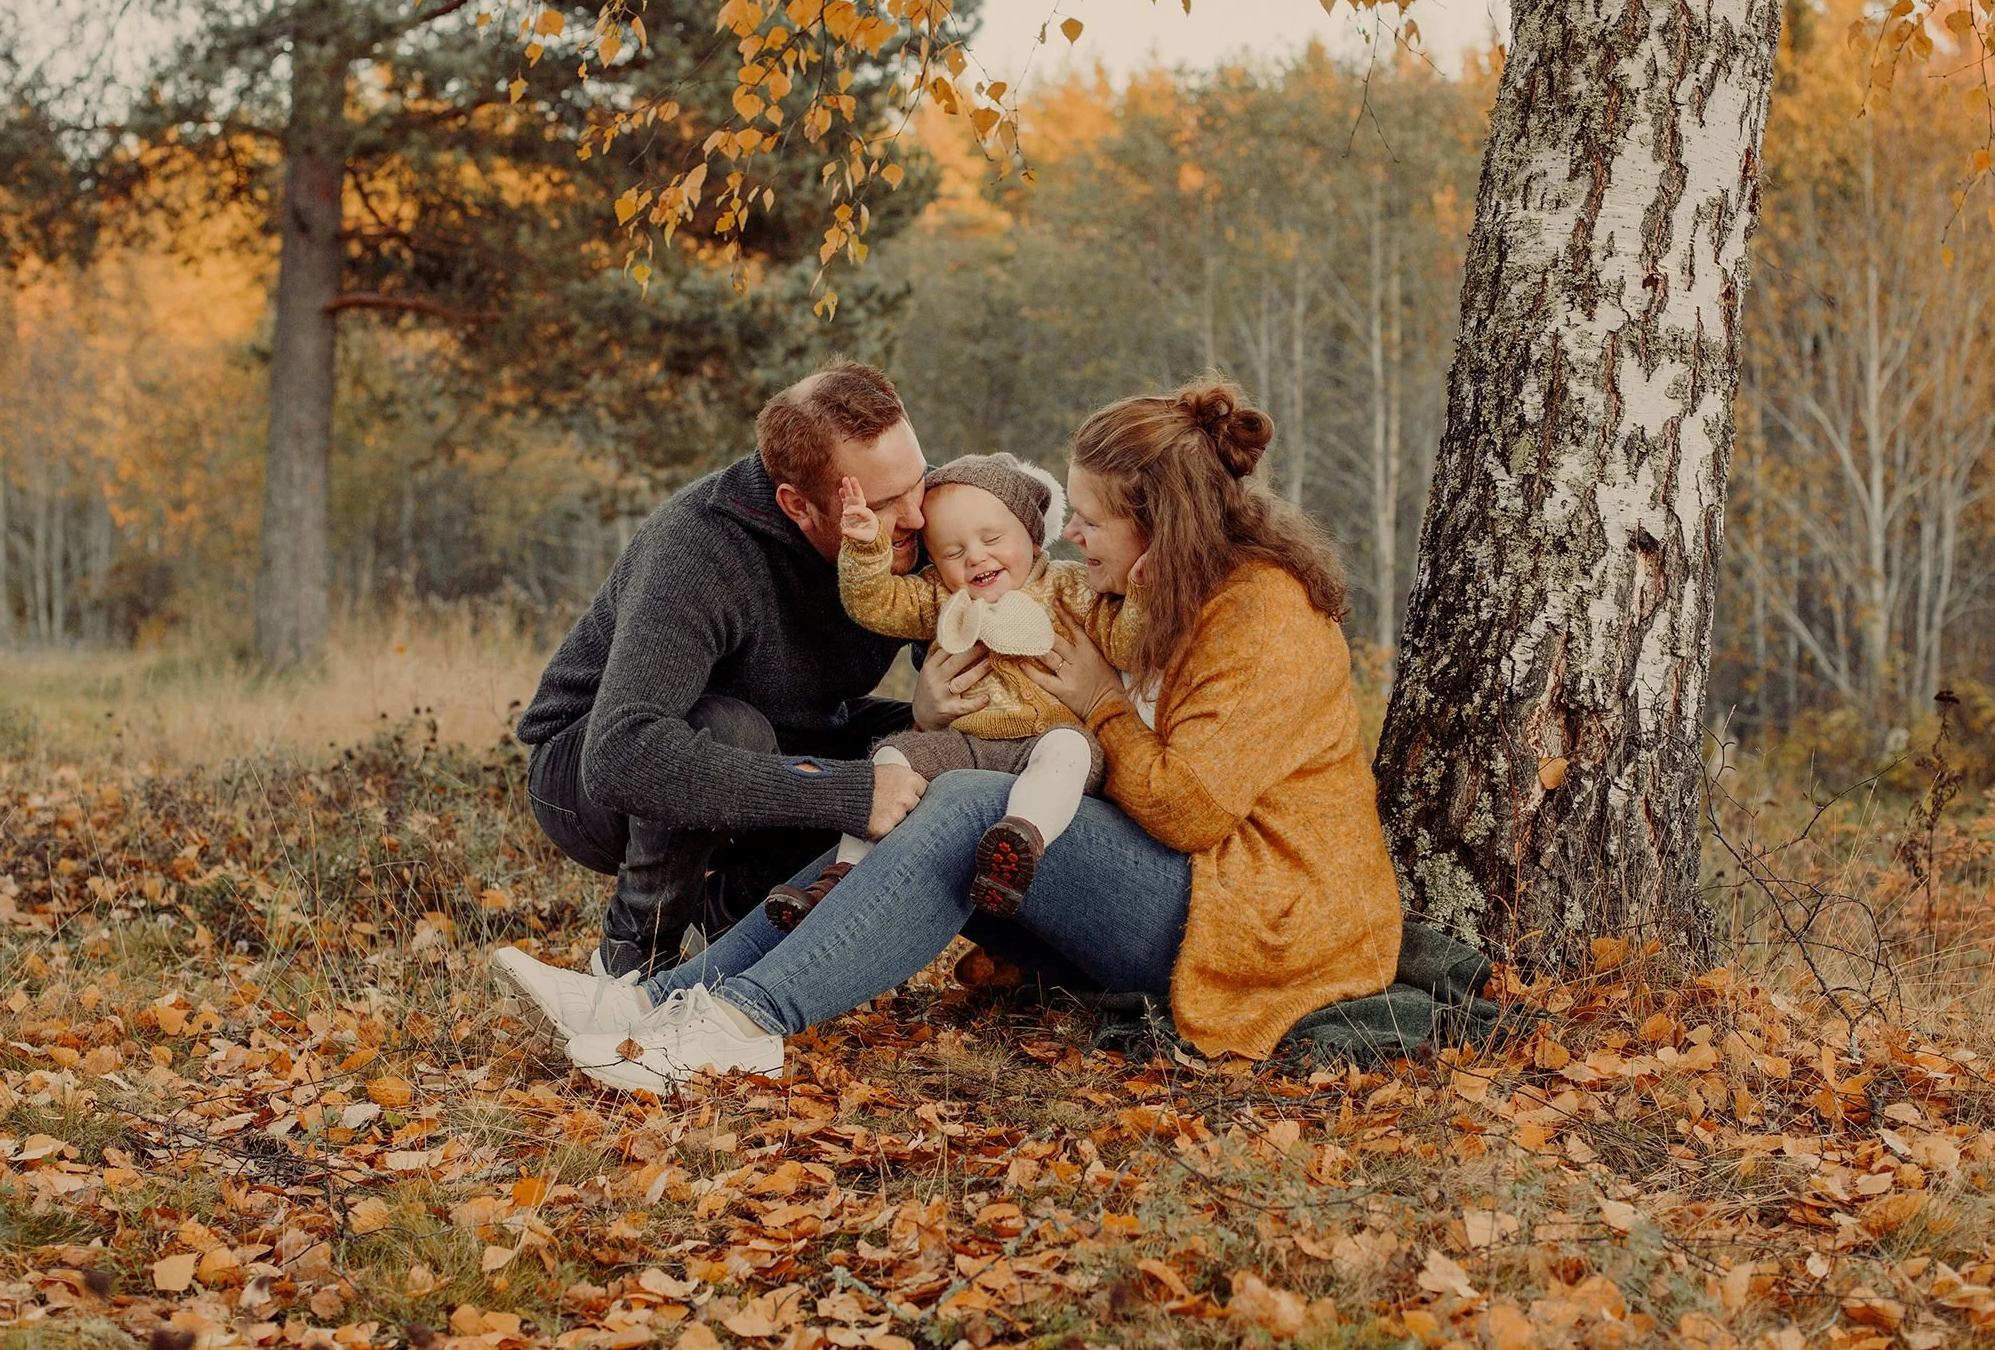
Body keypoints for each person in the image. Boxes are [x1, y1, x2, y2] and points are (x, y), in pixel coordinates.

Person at [499, 377, 1408, 1092]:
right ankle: (648, 999)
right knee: (952, 790)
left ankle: (739, 1023)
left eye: (1089, 520)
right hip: (1186, 883)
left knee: (974, 804)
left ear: (1159, 523)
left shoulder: (1262, 613)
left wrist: (1096, 707)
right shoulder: (1141, 591)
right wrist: (931, 720)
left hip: (1259, 915)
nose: (1073, 538)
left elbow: (1193, 807)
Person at [503, 359, 969, 982]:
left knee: (949, 743)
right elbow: (622, 755)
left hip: (785, 739)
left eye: (917, 481)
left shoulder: (920, 511)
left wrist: (935, 711)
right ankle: (633, 960)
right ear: (797, 505)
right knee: (729, 727)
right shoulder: (698, 548)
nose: (916, 515)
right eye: (885, 504)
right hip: (586, 775)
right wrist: (849, 793)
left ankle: (731, 910)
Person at [762, 451, 1143, 930]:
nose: (976, 557)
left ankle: (1019, 842)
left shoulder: (1071, 587)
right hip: (964, 743)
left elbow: (1126, 643)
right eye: (952, 552)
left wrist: (1144, 591)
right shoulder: (941, 596)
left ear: (1030, 532)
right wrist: (865, 548)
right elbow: (877, 604)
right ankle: (843, 874)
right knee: (893, 756)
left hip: (1046, 735)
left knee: (1071, 751)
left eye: (991, 539)